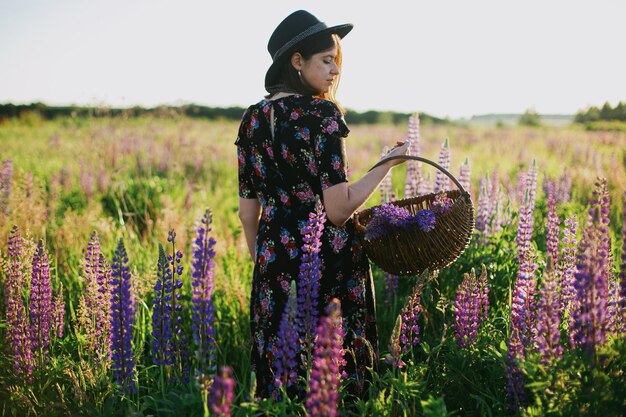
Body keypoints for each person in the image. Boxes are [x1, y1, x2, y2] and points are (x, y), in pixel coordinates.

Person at [235, 9, 410, 400]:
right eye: (326, 60)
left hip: (271, 260)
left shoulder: (251, 120)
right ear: (296, 61)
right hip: (328, 262)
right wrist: (386, 165)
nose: (334, 71)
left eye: (337, 61)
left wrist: (265, 260)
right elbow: (338, 209)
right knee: (333, 374)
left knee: (281, 376)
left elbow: (248, 211)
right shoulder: (322, 114)